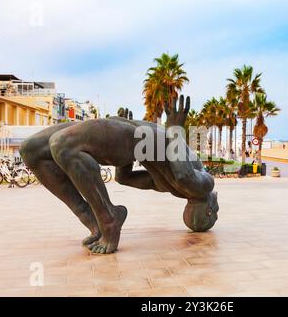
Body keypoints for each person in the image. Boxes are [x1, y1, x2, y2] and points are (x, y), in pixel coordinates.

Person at [20, 96, 219, 255]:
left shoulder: (181, 188)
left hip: (139, 139)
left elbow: (126, 177)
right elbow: (183, 176)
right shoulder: (203, 184)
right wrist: (174, 130)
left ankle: (101, 220)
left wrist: (171, 131)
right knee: (32, 149)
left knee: (50, 147)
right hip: (143, 138)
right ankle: (102, 219)